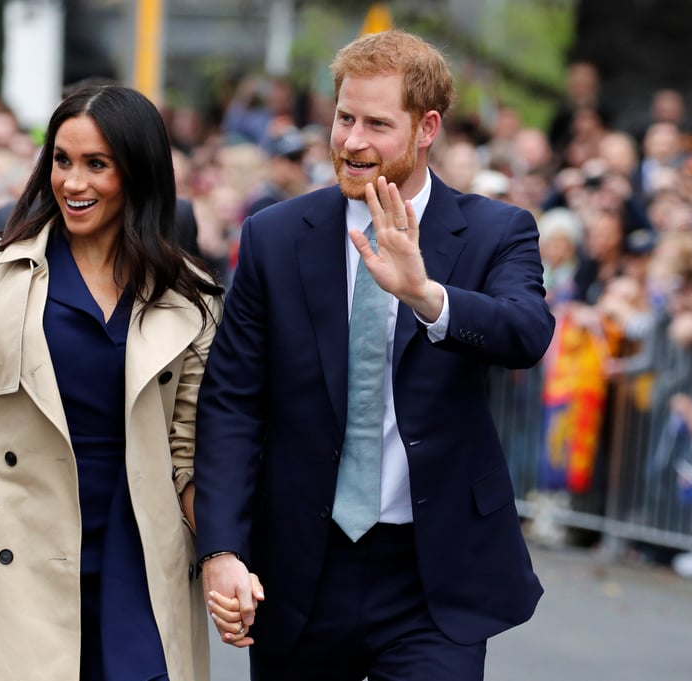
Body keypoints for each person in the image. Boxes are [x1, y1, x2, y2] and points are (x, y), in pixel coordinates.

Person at [193, 29, 555, 680]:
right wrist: (221, 549)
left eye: (377, 124)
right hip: (302, 563)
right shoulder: (275, 237)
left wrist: (427, 295)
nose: (352, 141)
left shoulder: (496, 231)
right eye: (344, 118)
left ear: (427, 128)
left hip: (431, 575)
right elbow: (232, 402)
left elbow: (526, 332)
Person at [0, 83, 223, 681]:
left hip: (141, 567)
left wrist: (227, 551)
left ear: (136, 172)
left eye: (96, 165)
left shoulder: (190, 296)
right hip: (18, 566)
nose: (73, 182)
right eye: (62, 160)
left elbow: (188, 456)